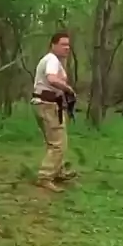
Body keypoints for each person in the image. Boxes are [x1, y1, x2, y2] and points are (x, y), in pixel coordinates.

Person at [31, 32, 77, 193]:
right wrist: (67, 88)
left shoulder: (53, 61)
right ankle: (45, 177)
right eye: (63, 44)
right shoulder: (52, 60)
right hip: (47, 105)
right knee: (58, 144)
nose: (67, 48)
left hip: (47, 104)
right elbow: (51, 79)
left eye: (68, 45)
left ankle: (58, 171)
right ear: (53, 45)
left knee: (56, 141)